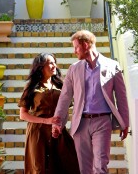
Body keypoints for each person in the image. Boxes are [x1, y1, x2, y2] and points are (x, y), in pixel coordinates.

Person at [52, 30, 129, 174]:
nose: (75, 51)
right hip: (80, 124)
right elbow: (65, 97)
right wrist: (58, 123)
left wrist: (125, 122)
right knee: (83, 169)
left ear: (86, 45)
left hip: (102, 122)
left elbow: (121, 97)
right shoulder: (74, 69)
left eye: (76, 47)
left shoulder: (112, 66)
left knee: (100, 166)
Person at [18, 53, 80, 174]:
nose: (54, 66)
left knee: (69, 164)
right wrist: (47, 121)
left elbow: (66, 109)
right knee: (40, 168)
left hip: (58, 131)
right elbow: (23, 114)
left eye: (54, 62)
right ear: (41, 67)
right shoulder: (31, 87)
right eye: (50, 63)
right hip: (38, 133)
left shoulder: (61, 85)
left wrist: (59, 125)